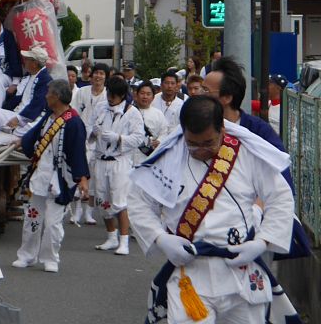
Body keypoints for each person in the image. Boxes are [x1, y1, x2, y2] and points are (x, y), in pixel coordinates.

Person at [128, 96, 296, 324]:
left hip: (241, 269)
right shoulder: (169, 156)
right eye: (192, 144)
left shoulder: (246, 153)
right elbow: (138, 201)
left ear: (223, 129)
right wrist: (160, 238)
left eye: (208, 143)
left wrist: (262, 242)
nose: (199, 151)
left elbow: (280, 198)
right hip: (191, 272)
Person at [13, 80, 89, 273]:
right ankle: (27, 255)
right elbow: (35, 133)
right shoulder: (49, 116)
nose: (46, 96)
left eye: (48, 93)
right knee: (32, 216)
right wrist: (22, 142)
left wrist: (82, 178)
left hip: (60, 179)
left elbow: (78, 152)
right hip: (40, 174)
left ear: (56, 97)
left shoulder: (74, 123)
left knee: (53, 223)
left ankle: (50, 257)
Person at [89, 76, 145, 256]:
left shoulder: (132, 112)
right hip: (100, 159)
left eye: (114, 96)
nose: (110, 98)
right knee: (101, 199)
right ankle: (111, 237)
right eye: (109, 94)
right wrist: (94, 132)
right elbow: (89, 127)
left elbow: (139, 138)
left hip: (119, 161)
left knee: (119, 201)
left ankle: (124, 240)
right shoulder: (100, 107)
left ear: (122, 96)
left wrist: (119, 138)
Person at [0, 46, 52, 146]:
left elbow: (38, 104)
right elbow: (19, 98)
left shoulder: (45, 79)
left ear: (35, 64)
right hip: (19, 113)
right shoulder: (30, 75)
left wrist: (19, 119)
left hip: (31, 119)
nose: (25, 61)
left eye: (27, 59)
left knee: (20, 132)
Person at [71, 62, 109, 225]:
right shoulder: (82, 92)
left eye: (102, 74)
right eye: (96, 73)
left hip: (99, 138)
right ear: (90, 75)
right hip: (81, 135)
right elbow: (73, 112)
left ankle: (89, 212)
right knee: (80, 173)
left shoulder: (108, 95)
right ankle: (76, 211)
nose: (98, 76)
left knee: (94, 177)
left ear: (106, 77)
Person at [133, 80, 168, 167]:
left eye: (148, 94)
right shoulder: (129, 112)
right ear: (136, 95)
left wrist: (159, 141)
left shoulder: (158, 114)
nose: (145, 96)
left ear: (153, 97)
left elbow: (164, 132)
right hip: (130, 157)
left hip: (149, 157)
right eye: (142, 93)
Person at [152, 70, 184, 136]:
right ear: (161, 85)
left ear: (176, 86)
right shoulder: (152, 100)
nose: (169, 86)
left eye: (172, 83)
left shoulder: (181, 104)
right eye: (166, 83)